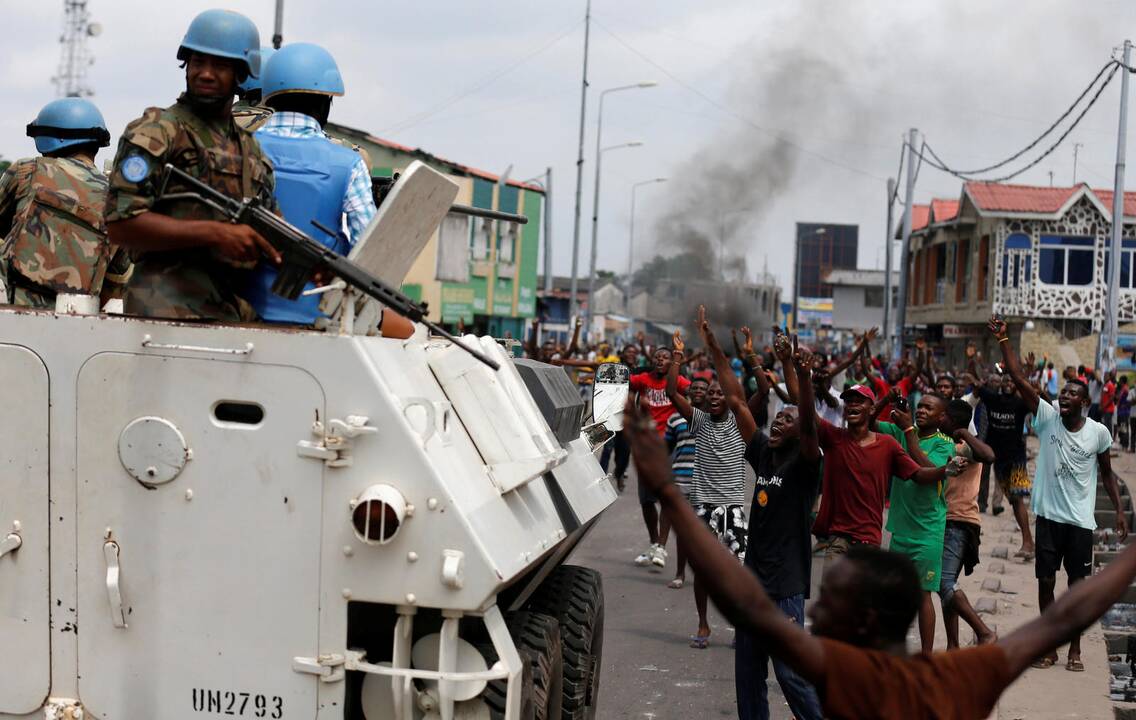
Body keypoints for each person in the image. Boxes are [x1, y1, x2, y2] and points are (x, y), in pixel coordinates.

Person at [627, 391, 1136, 719]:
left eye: (830, 603)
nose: (817, 610)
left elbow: (746, 605)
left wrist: (670, 495)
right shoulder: (955, 681)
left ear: (865, 621)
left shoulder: (841, 679)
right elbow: (1065, 615)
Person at [105, 9, 282, 321]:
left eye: (220, 65)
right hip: (164, 311)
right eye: (198, 62)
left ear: (242, 73)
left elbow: (271, 229)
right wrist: (215, 233)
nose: (206, 73)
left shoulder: (252, 151)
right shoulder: (158, 131)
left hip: (232, 312)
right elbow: (121, 225)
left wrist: (308, 264)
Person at [245, 42, 412, 338]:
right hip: (319, 313)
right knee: (408, 331)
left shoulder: (240, 147)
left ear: (269, 96)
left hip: (242, 304)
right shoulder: (349, 162)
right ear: (325, 104)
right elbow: (369, 249)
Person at [991, 315, 1128, 672]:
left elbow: (1109, 475)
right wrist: (1004, 339)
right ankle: (1049, 645)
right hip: (1049, 518)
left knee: (1077, 588)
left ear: (1084, 402)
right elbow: (1020, 379)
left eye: (1072, 395)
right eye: (1063, 393)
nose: (1064, 397)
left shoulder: (1098, 432)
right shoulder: (1048, 417)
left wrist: (1122, 512)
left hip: (1080, 522)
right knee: (1047, 581)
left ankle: (1075, 649)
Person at [736, 337, 823, 720]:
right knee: (748, 674)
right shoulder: (764, 452)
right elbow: (739, 405)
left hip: (785, 585)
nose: (778, 421)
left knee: (790, 674)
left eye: (787, 419)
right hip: (753, 584)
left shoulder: (806, 464)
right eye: (778, 416)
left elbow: (808, 426)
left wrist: (803, 377)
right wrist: (741, 356)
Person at [667, 305, 754, 649]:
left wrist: (718, 345)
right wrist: (677, 355)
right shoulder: (699, 421)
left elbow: (738, 393)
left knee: (738, 572)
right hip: (701, 505)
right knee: (702, 571)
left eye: (722, 394)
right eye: (711, 394)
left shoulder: (739, 421)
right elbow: (673, 392)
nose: (716, 397)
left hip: (732, 507)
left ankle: (740, 624)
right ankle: (703, 624)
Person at [0, 98, 130, 308]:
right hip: (74, 322)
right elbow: (115, 286)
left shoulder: (28, 170)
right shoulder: (119, 202)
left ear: (47, 138)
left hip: (10, 311)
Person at [811, 381, 948, 568]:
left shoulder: (890, 443)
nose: (852, 405)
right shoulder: (834, 437)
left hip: (886, 538)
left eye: (859, 401)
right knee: (835, 595)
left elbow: (920, 473)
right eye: (849, 401)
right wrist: (801, 374)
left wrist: (946, 470)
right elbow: (806, 412)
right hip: (839, 538)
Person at [870, 392, 955, 653]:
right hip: (901, 528)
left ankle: (926, 657)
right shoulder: (900, 431)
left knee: (922, 594)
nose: (921, 411)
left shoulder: (945, 444)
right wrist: (885, 402)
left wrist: (908, 429)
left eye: (929, 408)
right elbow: (870, 423)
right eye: (920, 406)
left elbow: (929, 471)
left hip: (928, 530)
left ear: (941, 417)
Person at [938, 400, 997, 648]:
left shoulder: (966, 447)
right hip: (944, 520)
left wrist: (964, 434)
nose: (939, 418)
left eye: (943, 415)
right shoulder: (941, 443)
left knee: (945, 583)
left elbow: (989, 455)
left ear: (953, 421)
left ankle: (984, 633)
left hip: (960, 521)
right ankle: (953, 644)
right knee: (946, 586)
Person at [630, 344, 690, 568]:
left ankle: (662, 547)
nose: (660, 360)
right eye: (657, 357)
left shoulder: (678, 382)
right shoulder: (643, 379)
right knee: (646, 500)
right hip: (646, 444)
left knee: (665, 496)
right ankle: (654, 543)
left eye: (665, 357)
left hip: (670, 445)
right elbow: (621, 383)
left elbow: (694, 392)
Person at [661, 376, 708, 589]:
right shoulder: (674, 419)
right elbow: (666, 449)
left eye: (703, 388)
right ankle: (680, 573)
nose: (698, 391)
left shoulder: (715, 418)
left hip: (707, 485)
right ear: (688, 393)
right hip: (681, 482)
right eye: (695, 387)